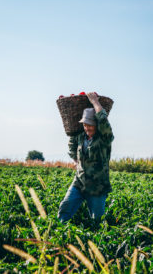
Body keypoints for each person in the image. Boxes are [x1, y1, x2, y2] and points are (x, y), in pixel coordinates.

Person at [58, 92, 114, 223]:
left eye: (90, 125)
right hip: (79, 182)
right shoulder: (80, 136)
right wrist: (76, 160)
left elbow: (103, 120)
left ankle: (95, 241)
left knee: (96, 220)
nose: (87, 127)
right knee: (65, 208)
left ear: (97, 125)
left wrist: (95, 102)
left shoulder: (104, 139)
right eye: (84, 124)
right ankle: (58, 234)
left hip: (97, 187)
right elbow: (72, 144)